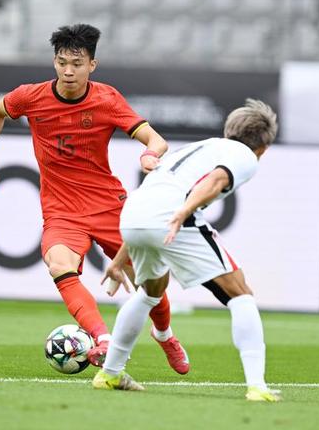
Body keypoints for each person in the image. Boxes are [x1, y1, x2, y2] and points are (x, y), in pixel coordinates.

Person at [0, 23, 189, 372]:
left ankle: (164, 334)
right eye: (62, 62)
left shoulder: (107, 99)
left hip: (109, 207)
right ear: (54, 62)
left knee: (149, 281)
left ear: (92, 64)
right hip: (62, 211)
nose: (68, 71)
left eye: (77, 63)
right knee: (59, 265)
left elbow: (157, 140)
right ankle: (102, 339)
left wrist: (149, 155)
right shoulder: (30, 96)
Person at [92, 99, 281, 402]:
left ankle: (110, 374)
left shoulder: (201, 147)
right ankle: (257, 386)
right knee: (241, 294)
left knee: (150, 292)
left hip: (134, 215)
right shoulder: (245, 155)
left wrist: (120, 258)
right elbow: (216, 180)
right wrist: (183, 212)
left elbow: (152, 202)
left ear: (229, 130)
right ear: (264, 147)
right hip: (171, 216)